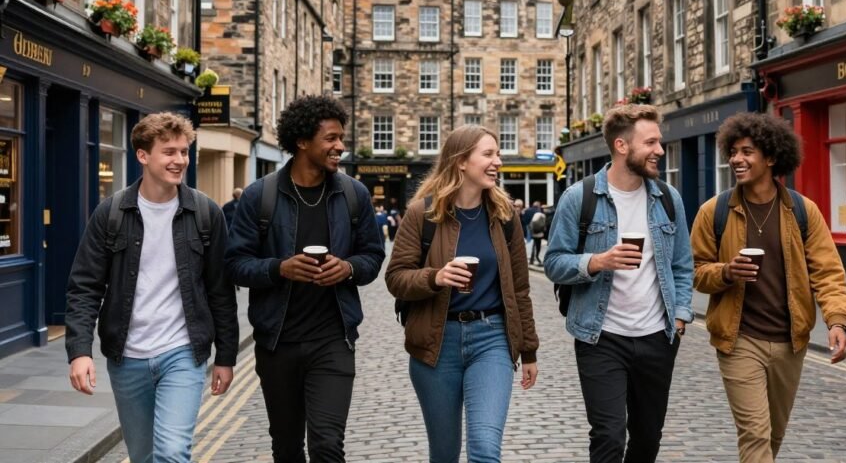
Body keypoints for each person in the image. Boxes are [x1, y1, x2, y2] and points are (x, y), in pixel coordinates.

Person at [65, 112, 238, 462]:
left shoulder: (205, 213)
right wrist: (79, 350)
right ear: (143, 156)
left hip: (183, 352)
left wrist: (226, 356)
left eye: (184, 152)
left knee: (173, 451)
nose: (179, 161)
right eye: (169, 152)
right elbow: (84, 287)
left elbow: (221, 291)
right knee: (142, 455)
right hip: (127, 355)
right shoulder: (111, 213)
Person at [226, 96, 385, 462]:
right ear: (301, 141)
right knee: (286, 447)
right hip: (277, 342)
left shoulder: (353, 195)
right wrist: (279, 268)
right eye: (330, 138)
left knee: (328, 445)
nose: (340, 146)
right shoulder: (259, 196)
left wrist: (347, 268)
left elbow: (373, 257)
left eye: (341, 138)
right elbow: (235, 263)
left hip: (333, 339)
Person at [690, 112, 846, 462]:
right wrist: (726, 272)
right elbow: (694, 271)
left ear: (772, 158)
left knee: (774, 434)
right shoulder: (713, 212)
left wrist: (836, 321)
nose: (736, 159)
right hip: (739, 340)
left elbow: (828, 272)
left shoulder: (802, 211)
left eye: (747, 151)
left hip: (789, 343)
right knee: (755, 434)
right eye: (733, 151)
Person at [544, 104, 693, 463]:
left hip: (657, 337)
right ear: (623, 146)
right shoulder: (579, 197)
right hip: (601, 338)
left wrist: (680, 316)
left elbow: (682, 265)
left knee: (647, 439)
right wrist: (596, 262)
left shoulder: (668, 199)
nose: (660, 149)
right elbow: (553, 262)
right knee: (609, 437)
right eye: (652, 142)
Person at [386, 124, 539, 463]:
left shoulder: (504, 216)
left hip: (492, 339)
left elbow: (519, 288)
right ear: (461, 162)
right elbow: (396, 278)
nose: (497, 161)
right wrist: (435, 276)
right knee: (444, 454)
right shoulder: (421, 213)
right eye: (488, 154)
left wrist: (528, 350)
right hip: (436, 345)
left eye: (498, 154)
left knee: (485, 449)